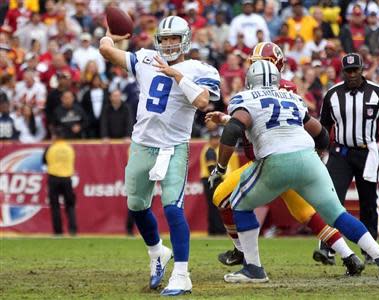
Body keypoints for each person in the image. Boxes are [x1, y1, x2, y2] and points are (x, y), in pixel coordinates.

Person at [208, 60, 379, 283]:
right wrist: (314, 158)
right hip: (308, 158)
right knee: (338, 214)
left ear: (251, 80)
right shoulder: (291, 98)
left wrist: (220, 167)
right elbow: (321, 134)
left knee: (239, 203)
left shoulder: (245, 98)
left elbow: (233, 130)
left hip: (275, 159)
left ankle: (253, 269)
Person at [99, 16, 221, 296]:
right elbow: (107, 50)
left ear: (185, 40)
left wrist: (176, 74)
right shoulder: (145, 59)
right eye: (164, 38)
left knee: (172, 208)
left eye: (173, 38)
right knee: (136, 206)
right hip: (142, 144)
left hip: (173, 146)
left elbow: (203, 102)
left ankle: (181, 275)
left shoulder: (198, 68)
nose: (168, 44)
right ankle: (157, 253)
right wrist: (112, 33)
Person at [317, 53, 379, 264]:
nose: (352, 74)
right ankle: (328, 246)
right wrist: (320, 150)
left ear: (362, 70)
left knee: (368, 200)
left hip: (367, 151)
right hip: (341, 151)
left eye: (356, 70)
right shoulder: (332, 94)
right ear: (343, 72)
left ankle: (371, 249)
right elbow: (324, 125)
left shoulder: (378, 93)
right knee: (330, 198)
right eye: (348, 71)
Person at [200, 129, 239, 235]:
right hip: (212, 180)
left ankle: (213, 230)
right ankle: (218, 230)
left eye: (217, 138)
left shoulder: (214, 149)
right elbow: (211, 169)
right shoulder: (210, 150)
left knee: (214, 207)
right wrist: (220, 181)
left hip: (213, 180)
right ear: (210, 140)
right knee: (217, 207)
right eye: (213, 139)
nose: (215, 141)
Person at [42, 127, 77, 236]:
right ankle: (73, 230)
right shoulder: (69, 148)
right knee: (70, 205)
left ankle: (58, 231)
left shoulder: (50, 148)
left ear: (55, 136)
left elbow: (44, 161)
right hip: (67, 178)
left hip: (53, 178)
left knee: (55, 206)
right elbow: (72, 161)